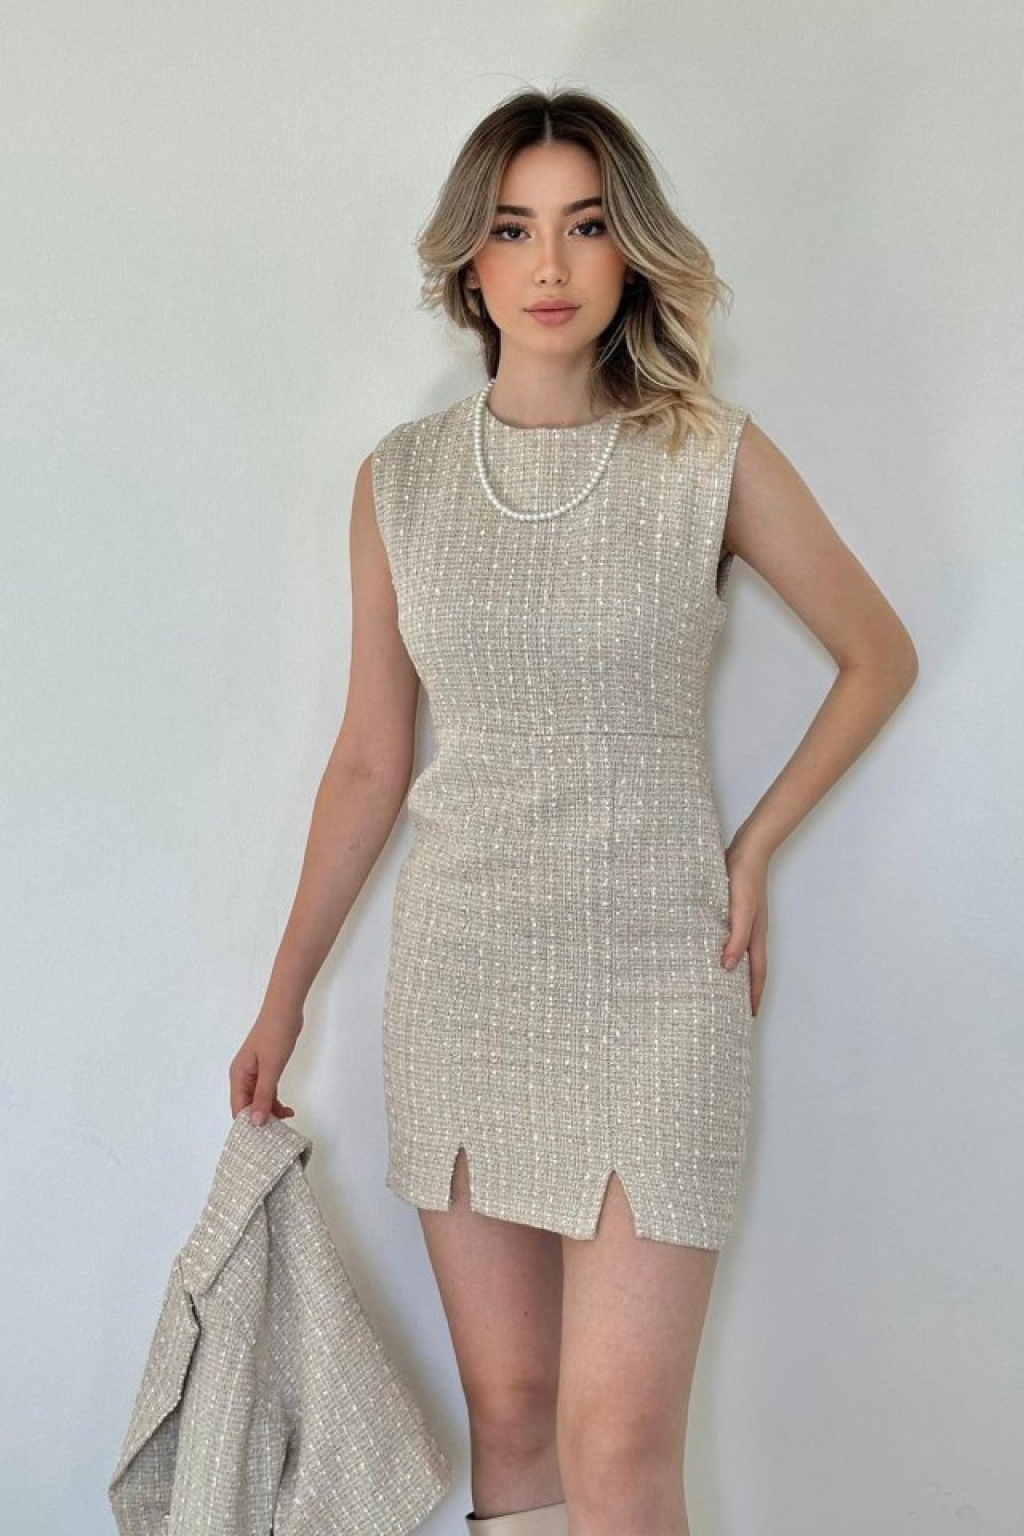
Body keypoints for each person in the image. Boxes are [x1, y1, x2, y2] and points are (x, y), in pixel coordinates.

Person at [229, 86, 918, 1536]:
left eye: (587, 227)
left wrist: (755, 846)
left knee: (618, 1441)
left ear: (630, 251)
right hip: (464, 971)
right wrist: (282, 1000)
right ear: (468, 265)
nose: (550, 264)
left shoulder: (706, 455)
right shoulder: (402, 482)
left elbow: (878, 655)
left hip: (660, 974)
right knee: (512, 1414)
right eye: (514, 229)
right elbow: (370, 762)